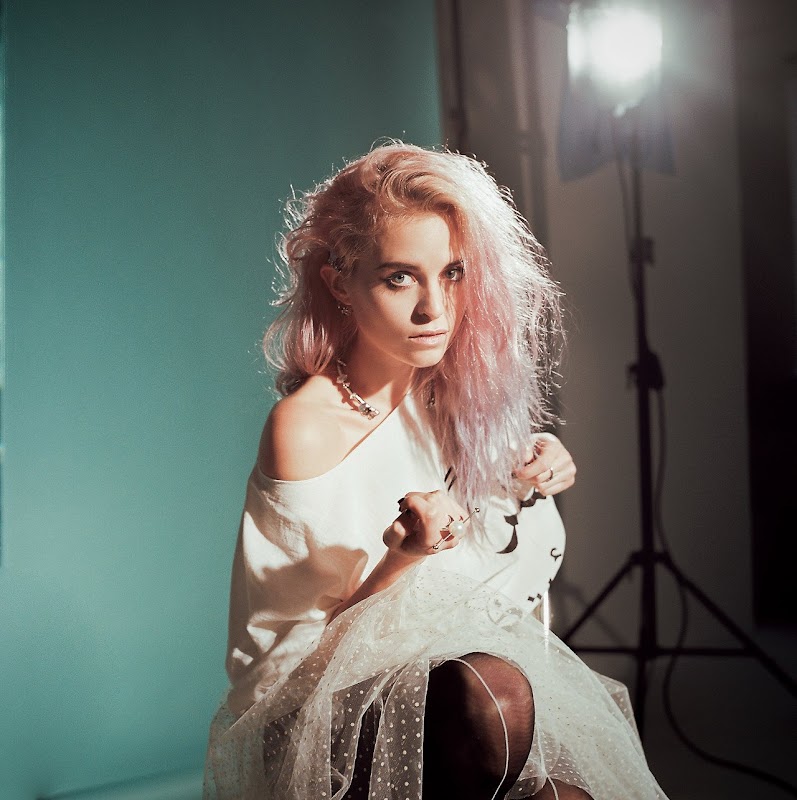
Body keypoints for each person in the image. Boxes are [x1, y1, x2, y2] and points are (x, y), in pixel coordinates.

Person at [203, 142, 669, 800]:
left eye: (451, 273)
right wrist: (403, 556)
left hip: (452, 706)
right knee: (494, 695)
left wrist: (524, 476)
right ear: (339, 283)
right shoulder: (304, 428)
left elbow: (490, 589)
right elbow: (286, 676)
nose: (434, 309)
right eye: (400, 277)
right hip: (327, 726)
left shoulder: (447, 396)